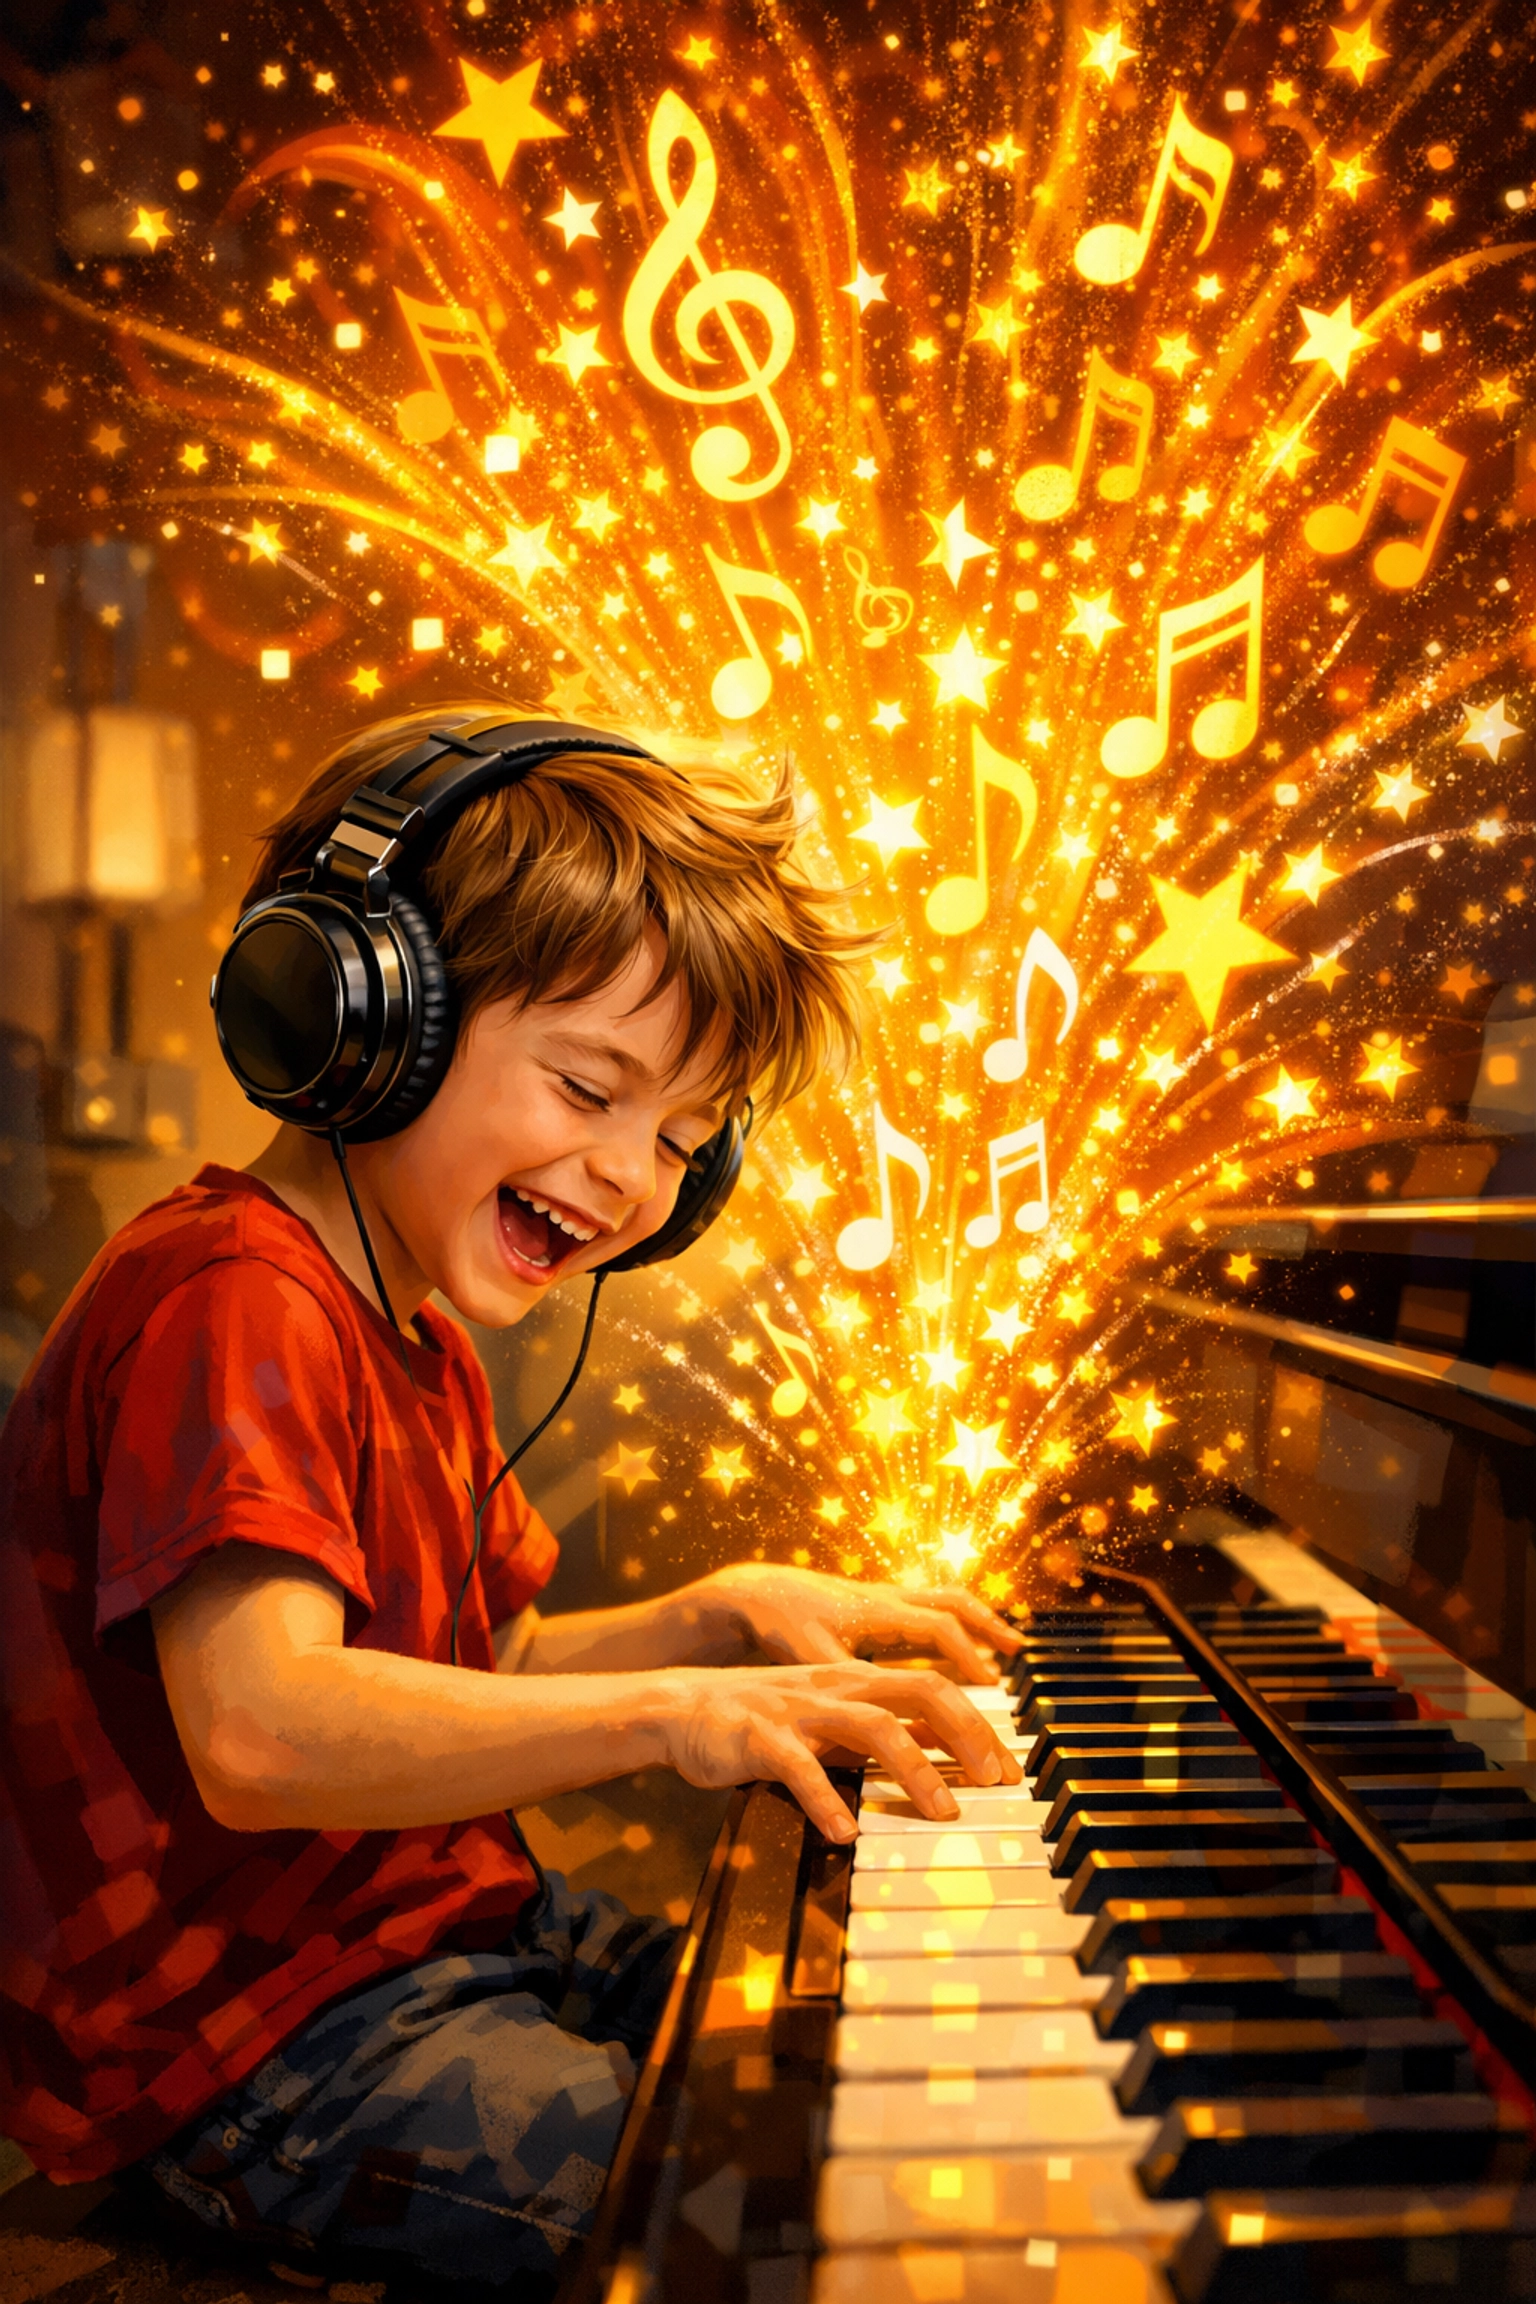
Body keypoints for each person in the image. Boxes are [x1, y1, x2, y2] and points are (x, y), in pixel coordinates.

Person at [0, 705, 1021, 2294]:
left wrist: (724, 1615)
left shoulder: (419, 1334)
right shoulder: (231, 1299)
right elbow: (265, 1728)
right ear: (365, 1012)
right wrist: (675, 1708)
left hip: (441, 1937)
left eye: (683, 1139)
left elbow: (493, 1666)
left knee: (858, 2048)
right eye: (587, 1089)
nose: (631, 1177)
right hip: (248, 2041)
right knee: (771, 2216)